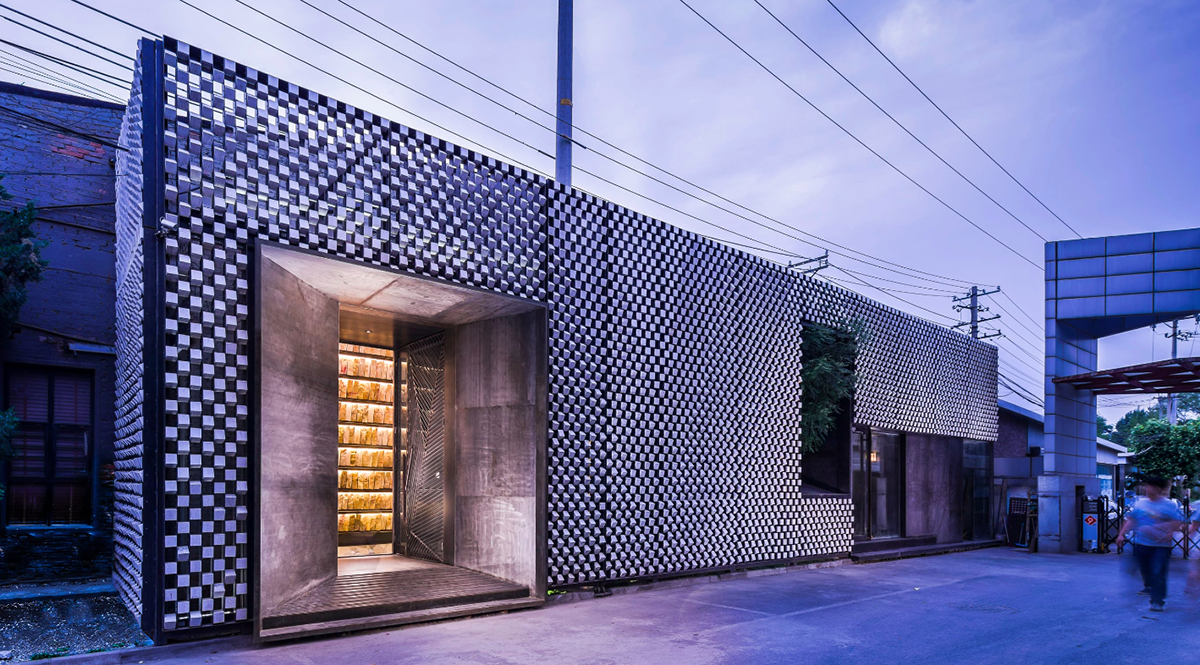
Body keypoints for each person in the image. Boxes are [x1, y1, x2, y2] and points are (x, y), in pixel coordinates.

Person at [1116, 476, 1183, 612]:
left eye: (1152, 487)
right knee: (1145, 570)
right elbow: (1131, 519)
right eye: (1147, 486)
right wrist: (1121, 534)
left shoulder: (1169, 505)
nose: (1149, 489)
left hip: (1161, 545)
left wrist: (1168, 531)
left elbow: (1178, 522)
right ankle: (1151, 587)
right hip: (1142, 543)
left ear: (1160, 489)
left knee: (1158, 572)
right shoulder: (1140, 503)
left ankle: (1157, 601)